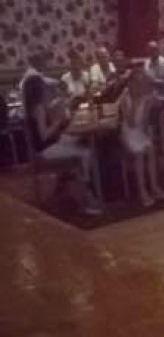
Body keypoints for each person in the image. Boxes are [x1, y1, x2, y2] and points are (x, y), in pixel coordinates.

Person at [20, 52, 102, 215]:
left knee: (79, 145)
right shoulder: (38, 109)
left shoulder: (37, 107)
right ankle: (85, 192)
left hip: (48, 145)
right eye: (44, 89)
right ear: (39, 91)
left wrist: (59, 107)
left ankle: (79, 185)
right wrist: (57, 122)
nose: (47, 90)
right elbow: (44, 135)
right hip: (43, 151)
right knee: (84, 152)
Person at [117, 71, 164, 207]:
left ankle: (154, 186)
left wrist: (148, 106)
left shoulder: (146, 97)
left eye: (140, 83)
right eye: (135, 83)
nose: (138, 87)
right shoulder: (124, 98)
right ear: (129, 84)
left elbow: (144, 123)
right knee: (139, 154)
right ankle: (142, 191)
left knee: (150, 150)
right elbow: (131, 122)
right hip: (128, 132)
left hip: (140, 131)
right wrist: (134, 101)